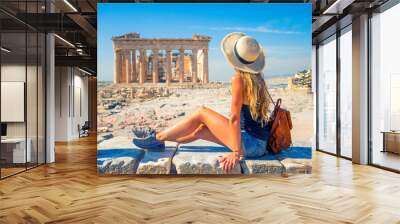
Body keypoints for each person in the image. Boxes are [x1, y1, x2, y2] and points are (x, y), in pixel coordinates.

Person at [133, 32, 272, 173]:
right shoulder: (258, 78)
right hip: (259, 144)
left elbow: (235, 119)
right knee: (200, 131)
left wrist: (236, 153)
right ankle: (160, 141)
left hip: (250, 144)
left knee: (202, 112)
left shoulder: (238, 79)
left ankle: (157, 137)